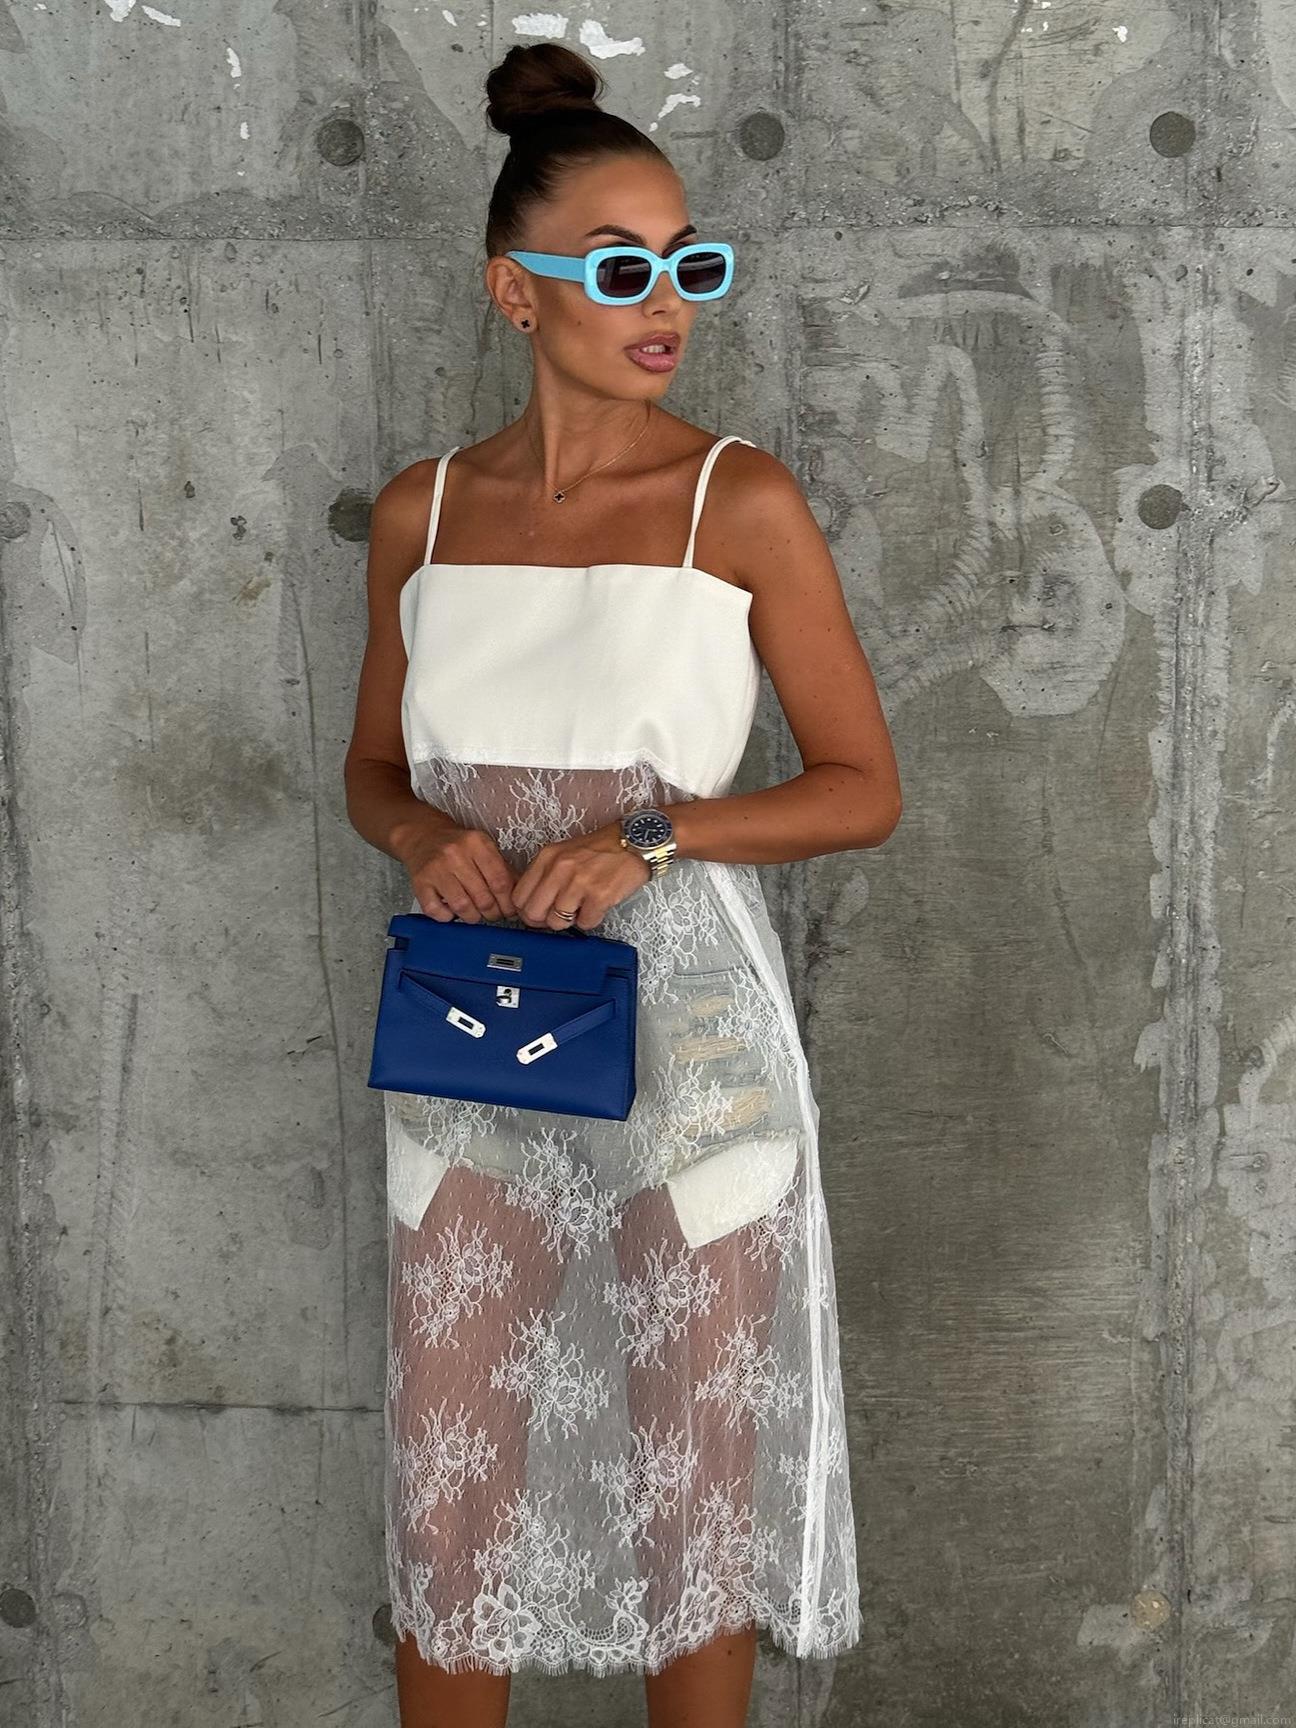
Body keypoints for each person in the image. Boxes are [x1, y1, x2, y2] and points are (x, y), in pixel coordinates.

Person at [343, 39, 902, 1728]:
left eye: (688, 265)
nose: (666, 304)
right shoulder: (423, 515)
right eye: (620, 267)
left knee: (691, 1484)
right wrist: (417, 836)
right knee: (453, 1476)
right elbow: (372, 772)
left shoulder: (742, 502)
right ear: (515, 291)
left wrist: (652, 838)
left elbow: (862, 789)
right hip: (474, 1024)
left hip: (696, 1040)